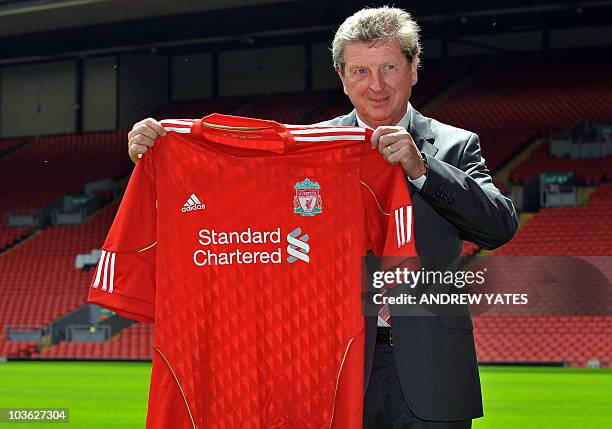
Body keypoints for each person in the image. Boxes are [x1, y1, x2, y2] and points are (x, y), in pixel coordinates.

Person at [126, 6, 517, 429]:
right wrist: (161, 160)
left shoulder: (454, 146)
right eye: (360, 71)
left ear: (414, 67)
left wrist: (422, 169)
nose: (377, 85)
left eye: (389, 67)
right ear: (343, 78)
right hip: (335, 368)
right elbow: (236, 205)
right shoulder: (311, 151)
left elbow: (499, 226)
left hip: (434, 370)